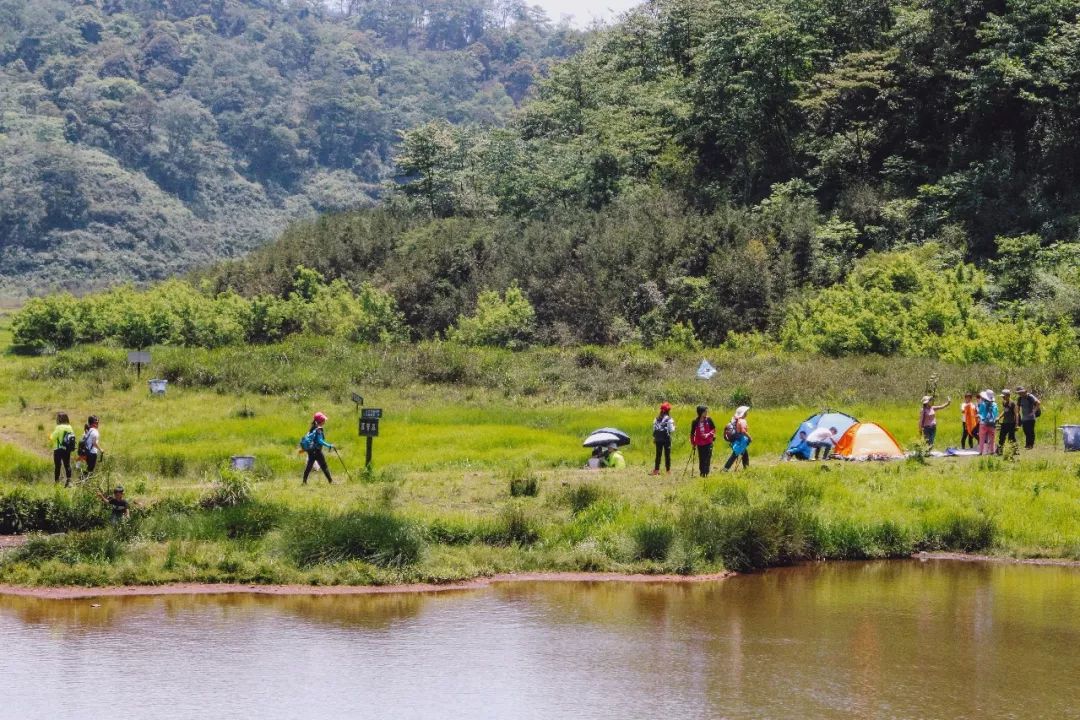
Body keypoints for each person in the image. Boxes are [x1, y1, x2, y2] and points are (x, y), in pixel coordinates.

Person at [302, 412, 334, 484]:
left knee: (309, 466)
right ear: (321, 421)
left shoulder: (312, 428)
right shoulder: (319, 429)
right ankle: (331, 481)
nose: (325, 421)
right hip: (317, 451)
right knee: (324, 466)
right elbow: (320, 441)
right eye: (324, 420)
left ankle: (304, 481)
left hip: (311, 450)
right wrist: (329, 445)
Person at [49, 412, 76, 486]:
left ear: (59, 419)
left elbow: (52, 438)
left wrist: (50, 436)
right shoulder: (70, 427)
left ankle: (57, 482)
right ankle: (69, 481)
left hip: (58, 449)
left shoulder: (58, 427)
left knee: (58, 466)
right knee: (67, 464)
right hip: (67, 449)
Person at [689, 405, 717, 477]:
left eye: (706, 411)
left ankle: (706, 473)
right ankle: (702, 473)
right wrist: (693, 443)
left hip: (708, 442)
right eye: (705, 411)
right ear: (700, 412)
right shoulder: (695, 421)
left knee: (708, 458)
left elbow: (713, 429)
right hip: (700, 443)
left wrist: (708, 434)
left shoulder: (709, 419)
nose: (706, 412)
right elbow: (692, 433)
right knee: (701, 458)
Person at [723, 406, 751, 471]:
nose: (747, 413)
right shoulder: (742, 420)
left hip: (734, 440)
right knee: (735, 454)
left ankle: (746, 469)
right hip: (739, 441)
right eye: (746, 412)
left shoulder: (734, 419)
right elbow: (743, 431)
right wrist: (749, 437)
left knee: (743, 454)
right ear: (743, 413)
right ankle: (725, 469)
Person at [651, 402, 675, 475]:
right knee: (667, 455)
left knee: (658, 454)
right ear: (668, 410)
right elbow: (671, 430)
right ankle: (668, 471)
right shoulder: (669, 419)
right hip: (666, 439)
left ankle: (656, 470)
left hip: (658, 439)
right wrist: (674, 427)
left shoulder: (656, 418)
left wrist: (655, 438)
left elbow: (654, 429)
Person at [977, 390, 999, 455]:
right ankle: (992, 451)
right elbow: (996, 414)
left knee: (982, 438)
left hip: (983, 423)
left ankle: (981, 451)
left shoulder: (982, 403)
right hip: (992, 423)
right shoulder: (995, 404)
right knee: (992, 438)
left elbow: (980, 412)